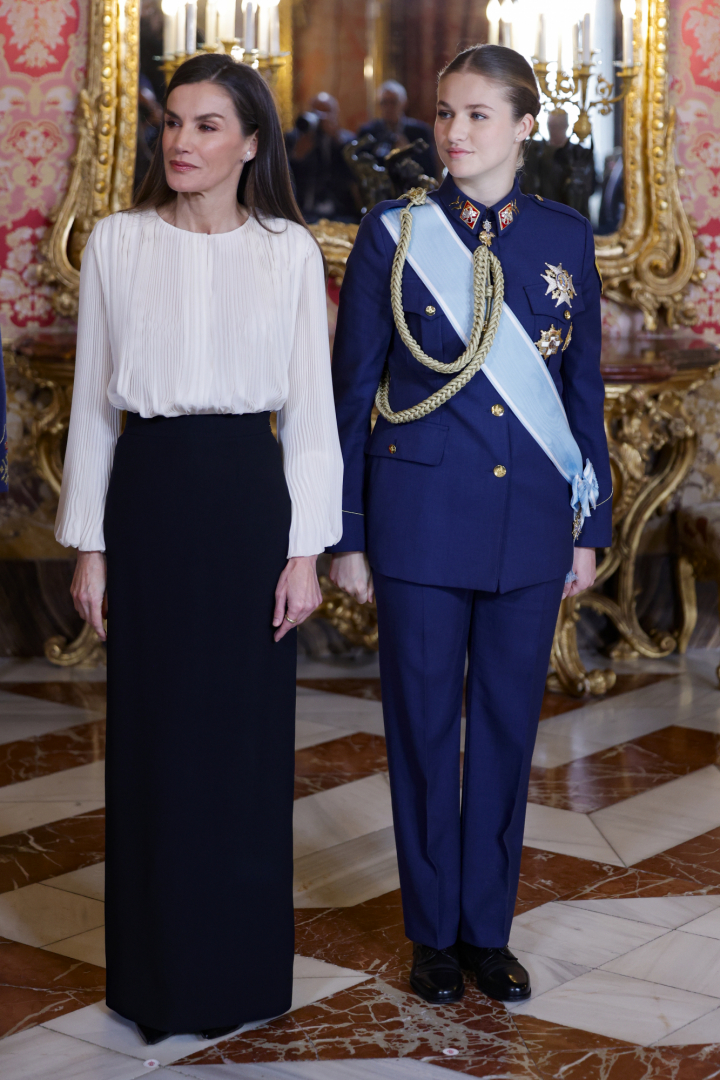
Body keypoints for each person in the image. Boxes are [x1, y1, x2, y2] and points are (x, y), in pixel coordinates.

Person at [55, 53, 342, 1044]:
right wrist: (89, 547)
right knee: (154, 741)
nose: (181, 141)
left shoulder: (288, 252)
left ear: (252, 142)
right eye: (173, 122)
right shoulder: (117, 242)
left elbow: (312, 417)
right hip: (149, 500)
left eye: (207, 124)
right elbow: (93, 409)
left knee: (244, 746)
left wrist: (305, 552)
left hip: (250, 507)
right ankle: (154, 979)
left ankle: (241, 975)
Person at [328, 44, 611, 1006]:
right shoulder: (394, 233)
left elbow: (581, 394)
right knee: (419, 730)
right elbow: (352, 394)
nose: (454, 132)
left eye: (478, 115)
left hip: (530, 521)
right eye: (445, 113)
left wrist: (589, 526)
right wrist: (350, 533)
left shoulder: (565, 236)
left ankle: (487, 932)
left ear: (525, 126)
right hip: (416, 521)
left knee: (504, 730)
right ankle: (432, 935)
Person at [285, 92, 358, 221]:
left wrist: (338, 142)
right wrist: (297, 156)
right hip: (305, 210)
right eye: (316, 112)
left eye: (326, 112)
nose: (321, 118)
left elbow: (352, 176)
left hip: (340, 211)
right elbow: (285, 178)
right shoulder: (294, 139)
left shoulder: (347, 141)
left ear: (336, 114)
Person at [522, 109, 595, 220]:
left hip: (570, 214)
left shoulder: (579, 153)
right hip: (542, 213)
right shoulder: (536, 151)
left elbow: (590, 187)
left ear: (566, 126)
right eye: (551, 126)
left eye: (558, 126)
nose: (554, 130)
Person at [358, 80, 438, 180]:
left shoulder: (420, 131)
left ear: (404, 103)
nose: (389, 108)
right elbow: (362, 169)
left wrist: (408, 152)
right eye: (384, 102)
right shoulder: (368, 132)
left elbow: (430, 170)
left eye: (393, 102)